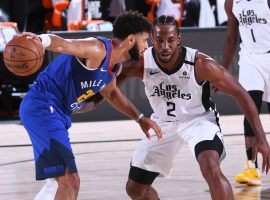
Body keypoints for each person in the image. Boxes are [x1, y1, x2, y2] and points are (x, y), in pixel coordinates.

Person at [113, 15, 269, 200]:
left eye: (170, 40)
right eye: (160, 40)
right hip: (162, 123)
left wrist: (261, 138)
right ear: (152, 39)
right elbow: (109, 87)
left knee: (210, 166)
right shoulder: (141, 62)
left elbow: (241, 93)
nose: (165, 46)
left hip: (198, 120)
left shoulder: (201, 64)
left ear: (178, 39)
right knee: (135, 189)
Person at [18, 11, 162, 200]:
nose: (146, 46)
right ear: (130, 40)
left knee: (57, 183)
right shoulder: (98, 49)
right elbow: (64, 44)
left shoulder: (116, 65)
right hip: (43, 106)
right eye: (144, 40)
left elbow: (110, 93)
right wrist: (41, 40)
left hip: (57, 112)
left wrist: (140, 118)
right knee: (70, 180)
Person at [222, 0, 270, 186]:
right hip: (250, 58)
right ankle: (251, 166)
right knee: (250, 107)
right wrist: (223, 72)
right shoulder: (232, 2)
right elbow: (232, 38)